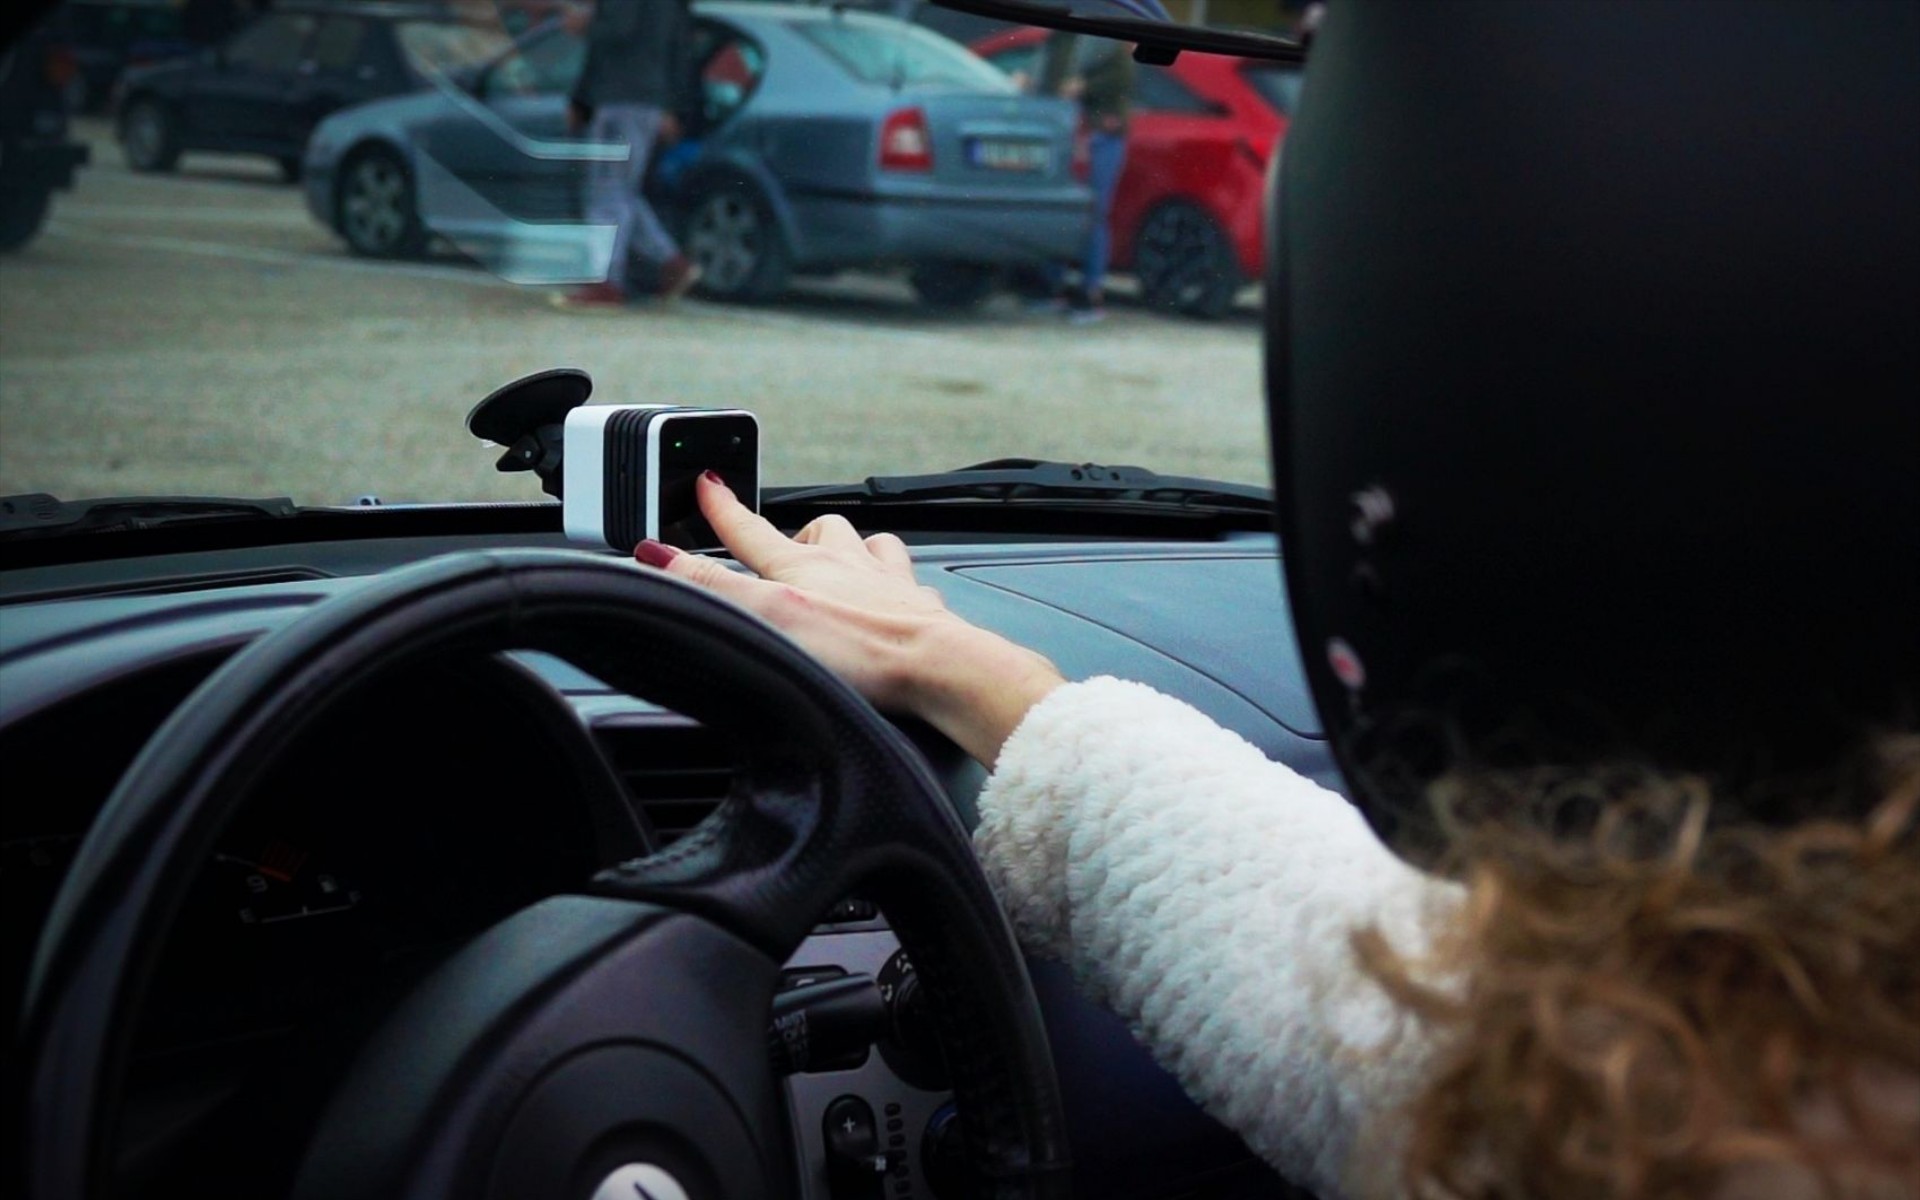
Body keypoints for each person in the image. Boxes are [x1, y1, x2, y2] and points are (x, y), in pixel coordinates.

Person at [637, 2, 1920, 1196]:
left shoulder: (1649, 1104)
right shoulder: (1774, 1050)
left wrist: (949, 663)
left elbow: (1396, 1030)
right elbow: (1373, 1001)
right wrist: (953, 664)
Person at [555, 0, 700, 310]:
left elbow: (617, 30)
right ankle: (670, 262)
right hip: (647, 99)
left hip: (620, 97)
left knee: (606, 192)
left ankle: (605, 281)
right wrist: (673, 106)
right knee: (622, 191)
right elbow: (679, 48)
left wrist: (585, 25)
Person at [1027, 32, 1133, 324]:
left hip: (1100, 133)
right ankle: (1052, 286)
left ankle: (1091, 292)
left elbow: (1122, 78)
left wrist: (1085, 86)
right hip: (1064, 132)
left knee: (1094, 212)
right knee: (1059, 210)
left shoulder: (1109, 40)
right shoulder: (1059, 37)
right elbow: (1043, 72)